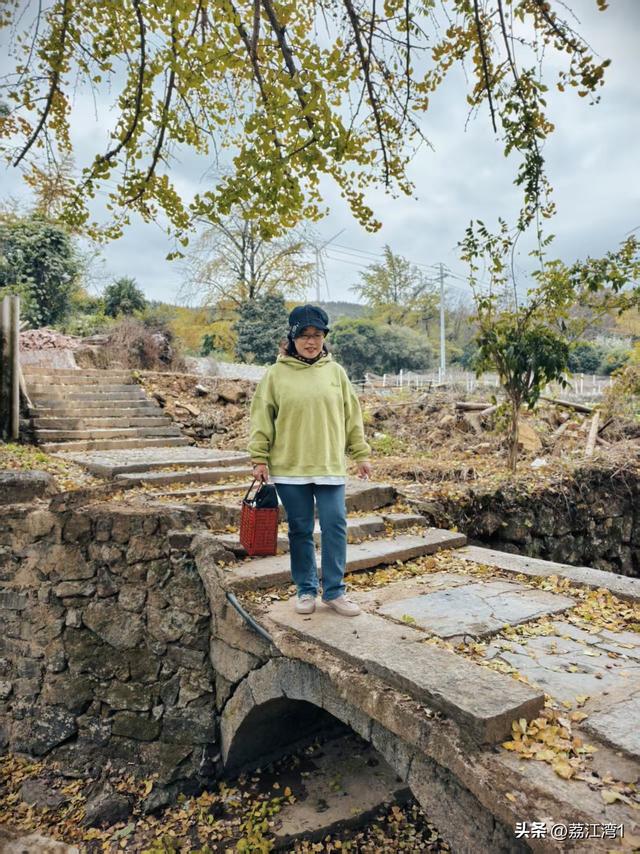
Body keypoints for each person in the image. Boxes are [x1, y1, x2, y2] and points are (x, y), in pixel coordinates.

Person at [248, 304, 372, 617]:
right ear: (291, 339)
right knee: (300, 530)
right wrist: (259, 458)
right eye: (303, 335)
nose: (311, 341)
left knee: (335, 525)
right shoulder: (276, 375)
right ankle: (305, 590)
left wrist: (360, 453)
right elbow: (262, 417)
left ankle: (334, 591)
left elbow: (351, 416)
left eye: (316, 335)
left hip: (329, 464)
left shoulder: (336, 373)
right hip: (290, 466)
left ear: (324, 338)